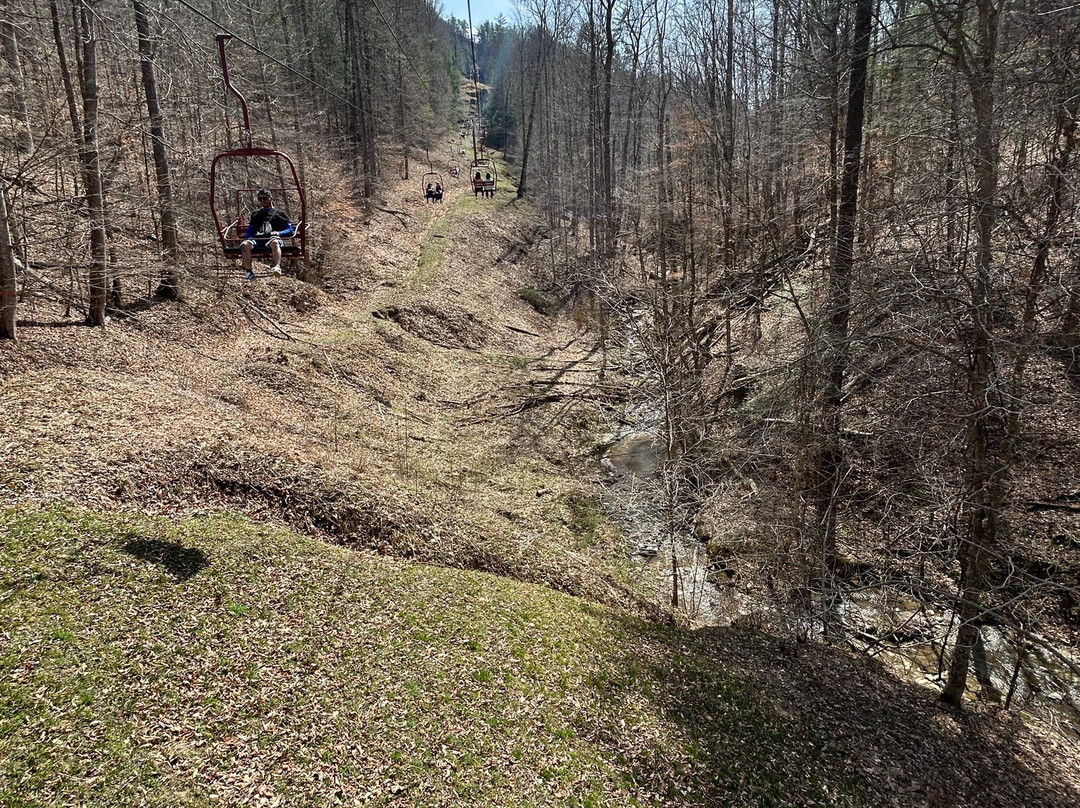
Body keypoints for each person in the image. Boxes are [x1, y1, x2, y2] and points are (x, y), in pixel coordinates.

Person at [241, 188, 293, 280]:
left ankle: (277, 267)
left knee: (274, 242)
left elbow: (289, 230)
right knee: (245, 245)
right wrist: (248, 238)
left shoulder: (280, 213)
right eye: (260, 199)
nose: (262, 201)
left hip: (272, 238)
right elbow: (250, 230)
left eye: (265, 198)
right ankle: (248, 271)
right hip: (258, 239)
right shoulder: (256, 214)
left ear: (270, 198)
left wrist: (278, 233)